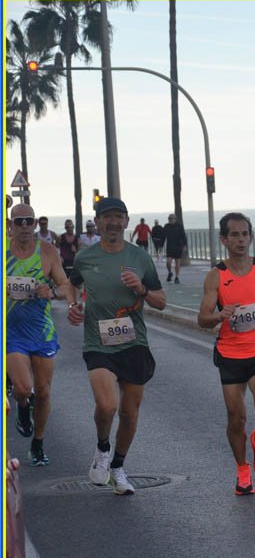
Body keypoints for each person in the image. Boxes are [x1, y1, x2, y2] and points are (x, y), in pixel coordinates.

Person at [66, 197, 166, 495]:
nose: (112, 222)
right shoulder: (86, 257)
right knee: (107, 404)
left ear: (126, 222)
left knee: (130, 413)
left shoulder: (140, 258)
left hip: (134, 343)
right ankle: (102, 448)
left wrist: (141, 288)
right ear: (97, 223)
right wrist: (73, 304)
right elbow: (72, 283)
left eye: (117, 217)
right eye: (105, 217)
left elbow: (161, 301)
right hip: (98, 342)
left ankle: (119, 468)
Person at [198, 212, 255, 496]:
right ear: (224, 240)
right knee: (236, 418)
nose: (240, 239)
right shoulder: (216, 275)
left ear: (251, 236)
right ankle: (242, 470)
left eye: (244, 234)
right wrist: (218, 316)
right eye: (234, 235)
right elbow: (202, 318)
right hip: (230, 354)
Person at [6, 203, 73, 466]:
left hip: (41, 331)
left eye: (28, 221)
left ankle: (38, 443)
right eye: (18, 221)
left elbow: (65, 284)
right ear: (10, 225)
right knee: (23, 387)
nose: (24, 226)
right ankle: (23, 406)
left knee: (43, 392)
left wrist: (53, 293)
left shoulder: (47, 252)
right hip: (11, 332)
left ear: (35, 224)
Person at [162, 213, 187, 283]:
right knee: (168, 262)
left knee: (177, 262)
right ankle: (170, 272)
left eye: (172, 218)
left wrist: (184, 245)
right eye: (169, 219)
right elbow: (163, 236)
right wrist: (161, 245)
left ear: (175, 219)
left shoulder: (179, 226)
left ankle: (177, 277)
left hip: (178, 246)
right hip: (169, 247)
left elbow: (183, 235)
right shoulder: (166, 226)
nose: (170, 220)